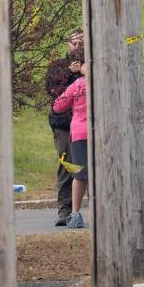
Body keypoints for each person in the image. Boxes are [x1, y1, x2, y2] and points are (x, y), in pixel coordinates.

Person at [44, 28, 84, 226]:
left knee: (89, 167)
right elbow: (54, 92)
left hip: (85, 125)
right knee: (66, 165)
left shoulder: (90, 67)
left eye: (81, 43)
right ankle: (65, 211)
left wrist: (81, 72)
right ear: (68, 45)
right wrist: (71, 74)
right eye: (74, 43)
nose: (77, 47)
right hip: (63, 125)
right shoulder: (57, 66)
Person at [52, 55, 88, 229]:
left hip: (79, 133)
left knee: (79, 175)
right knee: (101, 173)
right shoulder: (105, 81)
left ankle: (75, 214)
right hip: (103, 132)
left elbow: (58, 106)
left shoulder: (78, 84)